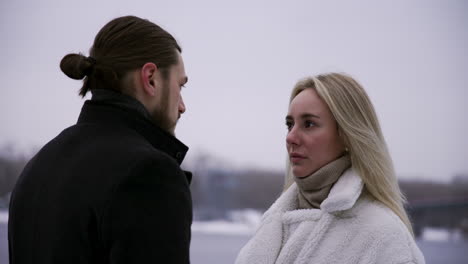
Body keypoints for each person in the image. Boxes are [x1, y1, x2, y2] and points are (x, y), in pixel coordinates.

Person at [8, 16, 192, 263]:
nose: (182, 106)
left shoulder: (39, 164)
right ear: (151, 78)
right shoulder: (150, 174)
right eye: (180, 86)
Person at [235, 73, 425, 264]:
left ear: (347, 134)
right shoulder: (271, 227)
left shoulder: (384, 236)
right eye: (290, 124)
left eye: (309, 124)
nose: (290, 137)